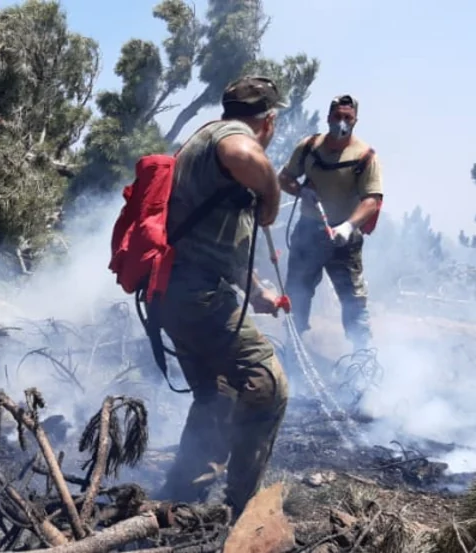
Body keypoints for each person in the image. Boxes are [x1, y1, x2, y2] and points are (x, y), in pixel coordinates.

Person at [152, 75, 290, 519]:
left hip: (176, 291)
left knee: (218, 391)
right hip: (197, 295)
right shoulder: (229, 139)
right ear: (268, 121)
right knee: (267, 385)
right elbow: (242, 149)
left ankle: (183, 497)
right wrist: (271, 191)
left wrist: (259, 292)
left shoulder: (202, 147)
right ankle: (241, 506)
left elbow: (221, 245)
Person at [278, 94, 383, 352]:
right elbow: (285, 178)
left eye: (347, 117)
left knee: (354, 302)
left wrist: (348, 227)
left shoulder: (365, 156)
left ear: (355, 120)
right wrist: (301, 192)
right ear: (328, 118)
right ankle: (293, 353)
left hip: (344, 240)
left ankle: (362, 360)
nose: (342, 122)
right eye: (337, 116)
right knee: (297, 295)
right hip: (308, 233)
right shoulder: (309, 147)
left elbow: (372, 200)